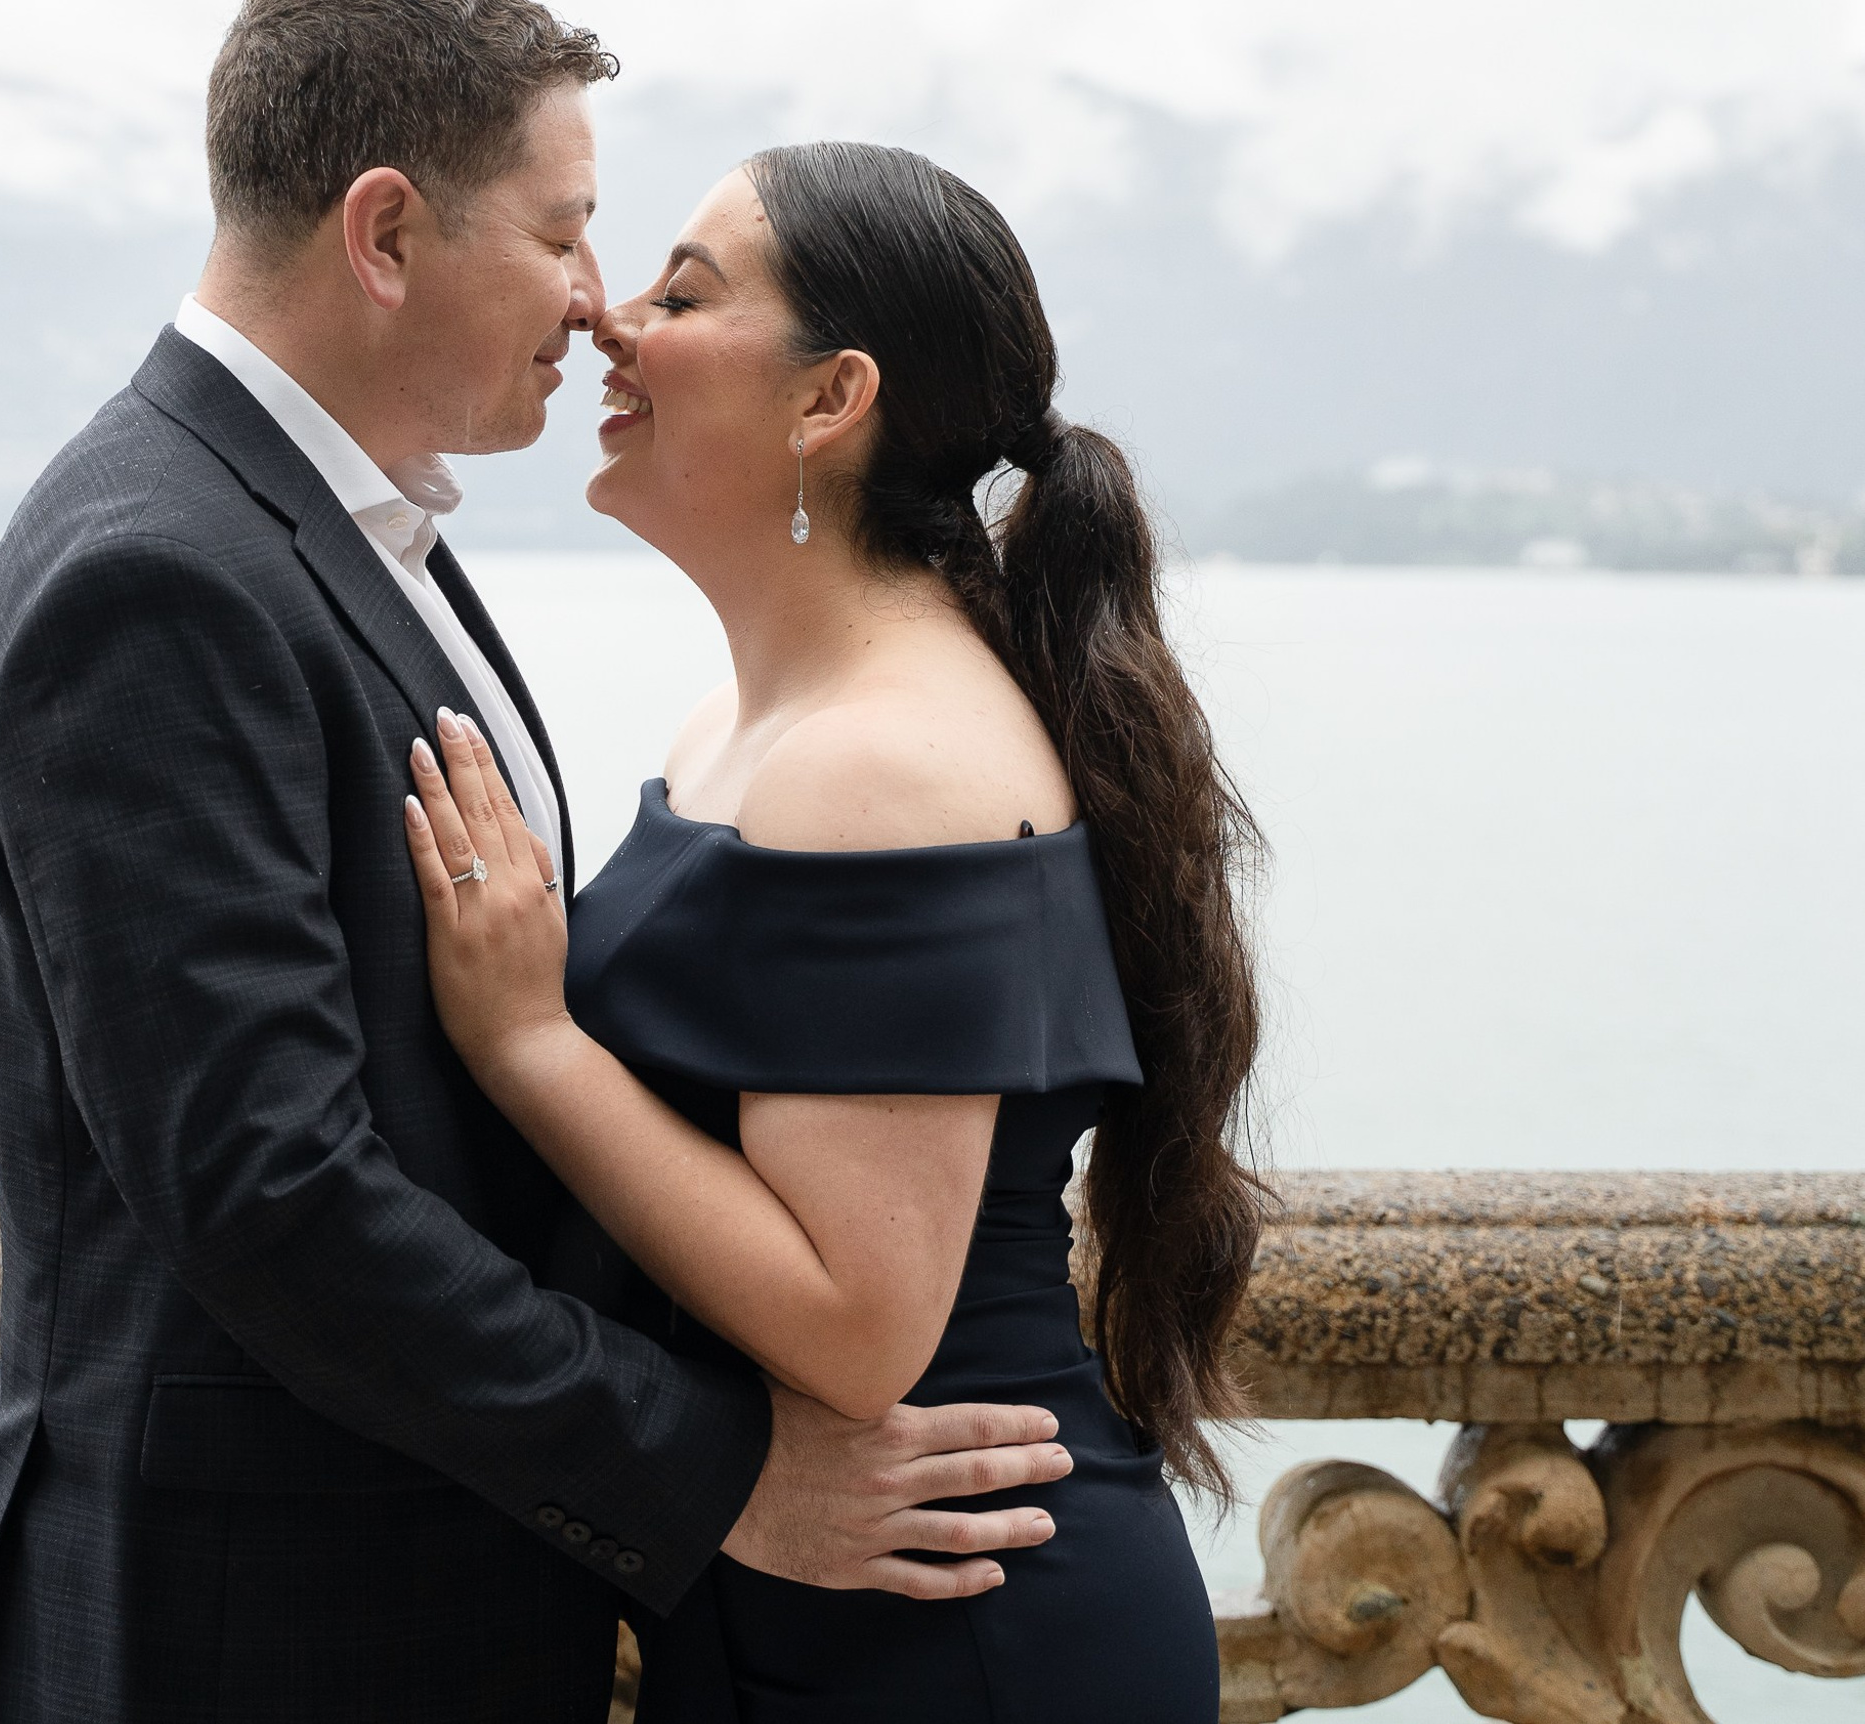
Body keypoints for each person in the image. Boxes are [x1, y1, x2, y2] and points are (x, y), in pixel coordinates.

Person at [0, 0, 1072, 1724]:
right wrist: (710, 1474)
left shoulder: (334, 526)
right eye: (562, 235)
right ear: (386, 236)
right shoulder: (158, 574)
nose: (593, 301)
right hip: (240, 1639)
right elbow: (270, 1188)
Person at [405, 139, 1266, 1721]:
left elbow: (860, 1327)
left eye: (684, 292)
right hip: (818, 1594)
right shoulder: (749, 723)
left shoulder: (886, 761)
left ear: (829, 400)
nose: (610, 319)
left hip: (950, 1616)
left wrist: (527, 1039)